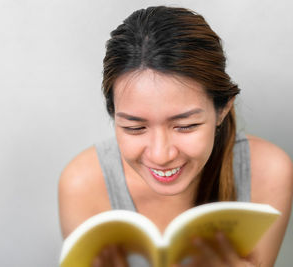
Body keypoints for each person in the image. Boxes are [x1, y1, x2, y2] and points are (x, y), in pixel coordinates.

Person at [58, 6, 293, 267]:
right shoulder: (82, 184)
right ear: (114, 116)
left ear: (222, 109)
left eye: (186, 126)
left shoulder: (269, 172)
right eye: (135, 128)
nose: (161, 155)